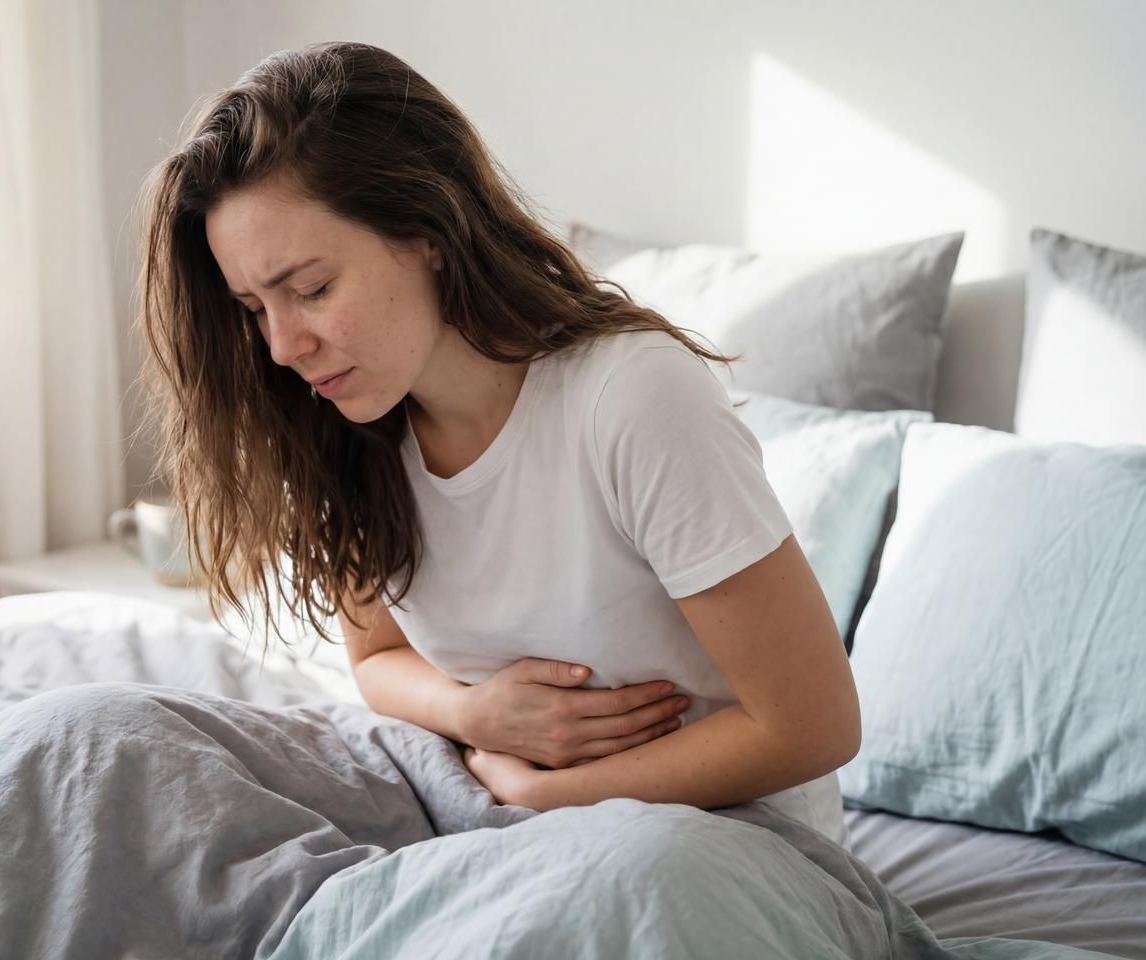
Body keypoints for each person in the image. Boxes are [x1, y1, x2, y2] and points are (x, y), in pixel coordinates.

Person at [136, 41, 858, 845]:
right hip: (495, 810)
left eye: (312, 289)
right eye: (254, 309)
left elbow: (814, 726)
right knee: (124, 750)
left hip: (716, 837)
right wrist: (474, 713)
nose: (281, 346)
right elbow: (374, 659)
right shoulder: (346, 427)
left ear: (428, 230)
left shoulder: (632, 398)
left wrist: (550, 795)